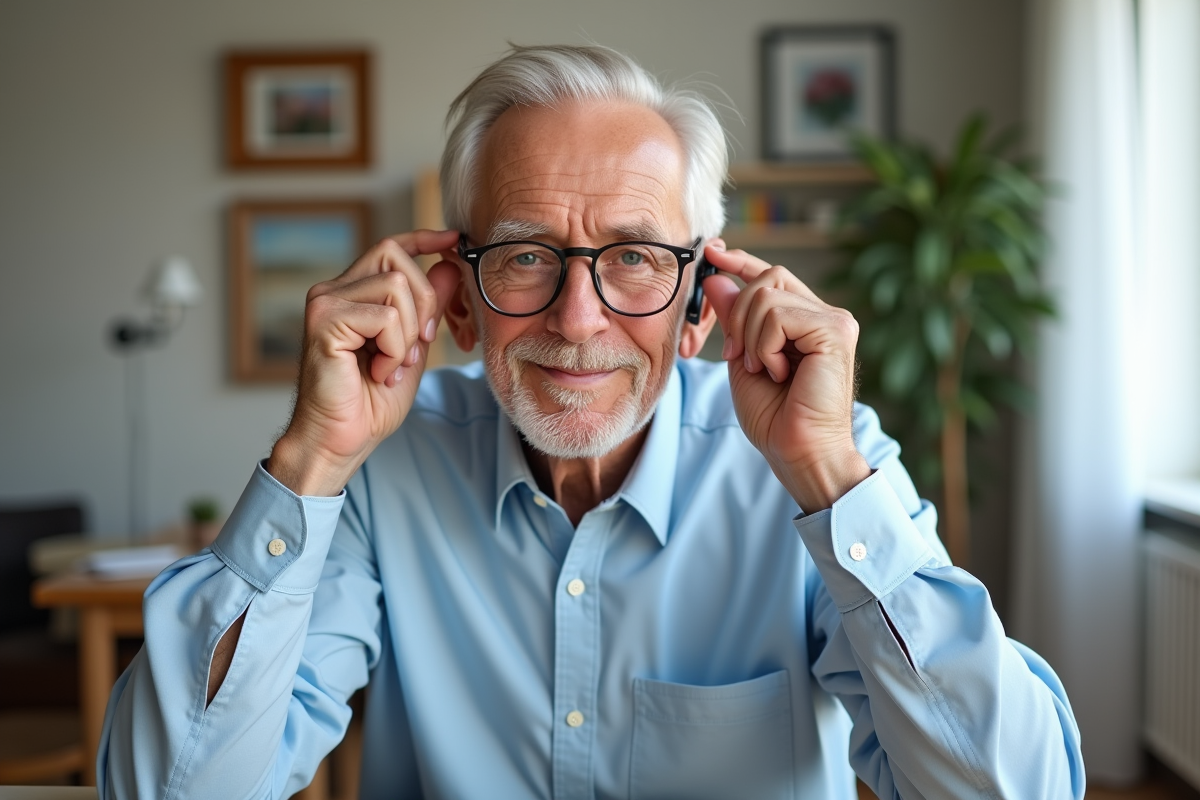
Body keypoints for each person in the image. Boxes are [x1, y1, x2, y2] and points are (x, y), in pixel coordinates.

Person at [98, 45, 1084, 799]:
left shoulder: (819, 463)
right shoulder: (383, 469)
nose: (578, 322)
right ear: (461, 299)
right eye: (526, 255)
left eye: (636, 258)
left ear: (702, 299)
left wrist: (827, 474)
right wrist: (312, 455)